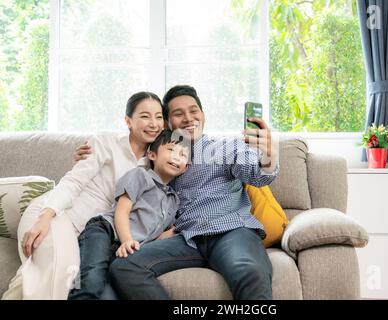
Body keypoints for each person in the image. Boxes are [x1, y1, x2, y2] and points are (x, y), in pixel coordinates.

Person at [75, 85, 280, 300]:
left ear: (203, 115)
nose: (188, 118)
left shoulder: (227, 147)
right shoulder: (158, 156)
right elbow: (123, 153)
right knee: (125, 266)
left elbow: (258, 175)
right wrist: (90, 155)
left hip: (229, 230)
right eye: (178, 113)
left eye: (194, 111)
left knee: (249, 272)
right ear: (167, 123)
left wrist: (268, 156)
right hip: (186, 238)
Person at [2, 92, 166, 300]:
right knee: (62, 275)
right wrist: (45, 217)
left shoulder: (154, 164)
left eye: (159, 117)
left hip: (86, 234)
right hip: (57, 215)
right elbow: (74, 181)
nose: (153, 123)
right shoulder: (106, 142)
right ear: (128, 121)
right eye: (145, 116)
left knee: (32, 277)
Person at [68, 130, 189, 300]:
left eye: (183, 154)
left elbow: (160, 236)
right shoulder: (140, 176)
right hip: (105, 232)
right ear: (152, 155)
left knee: (110, 294)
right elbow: (122, 211)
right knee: (92, 279)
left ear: (186, 168)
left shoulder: (174, 200)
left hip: (125, 252)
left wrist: (184, 228)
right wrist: (126, 241)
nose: (176, 156)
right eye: (170, 150)